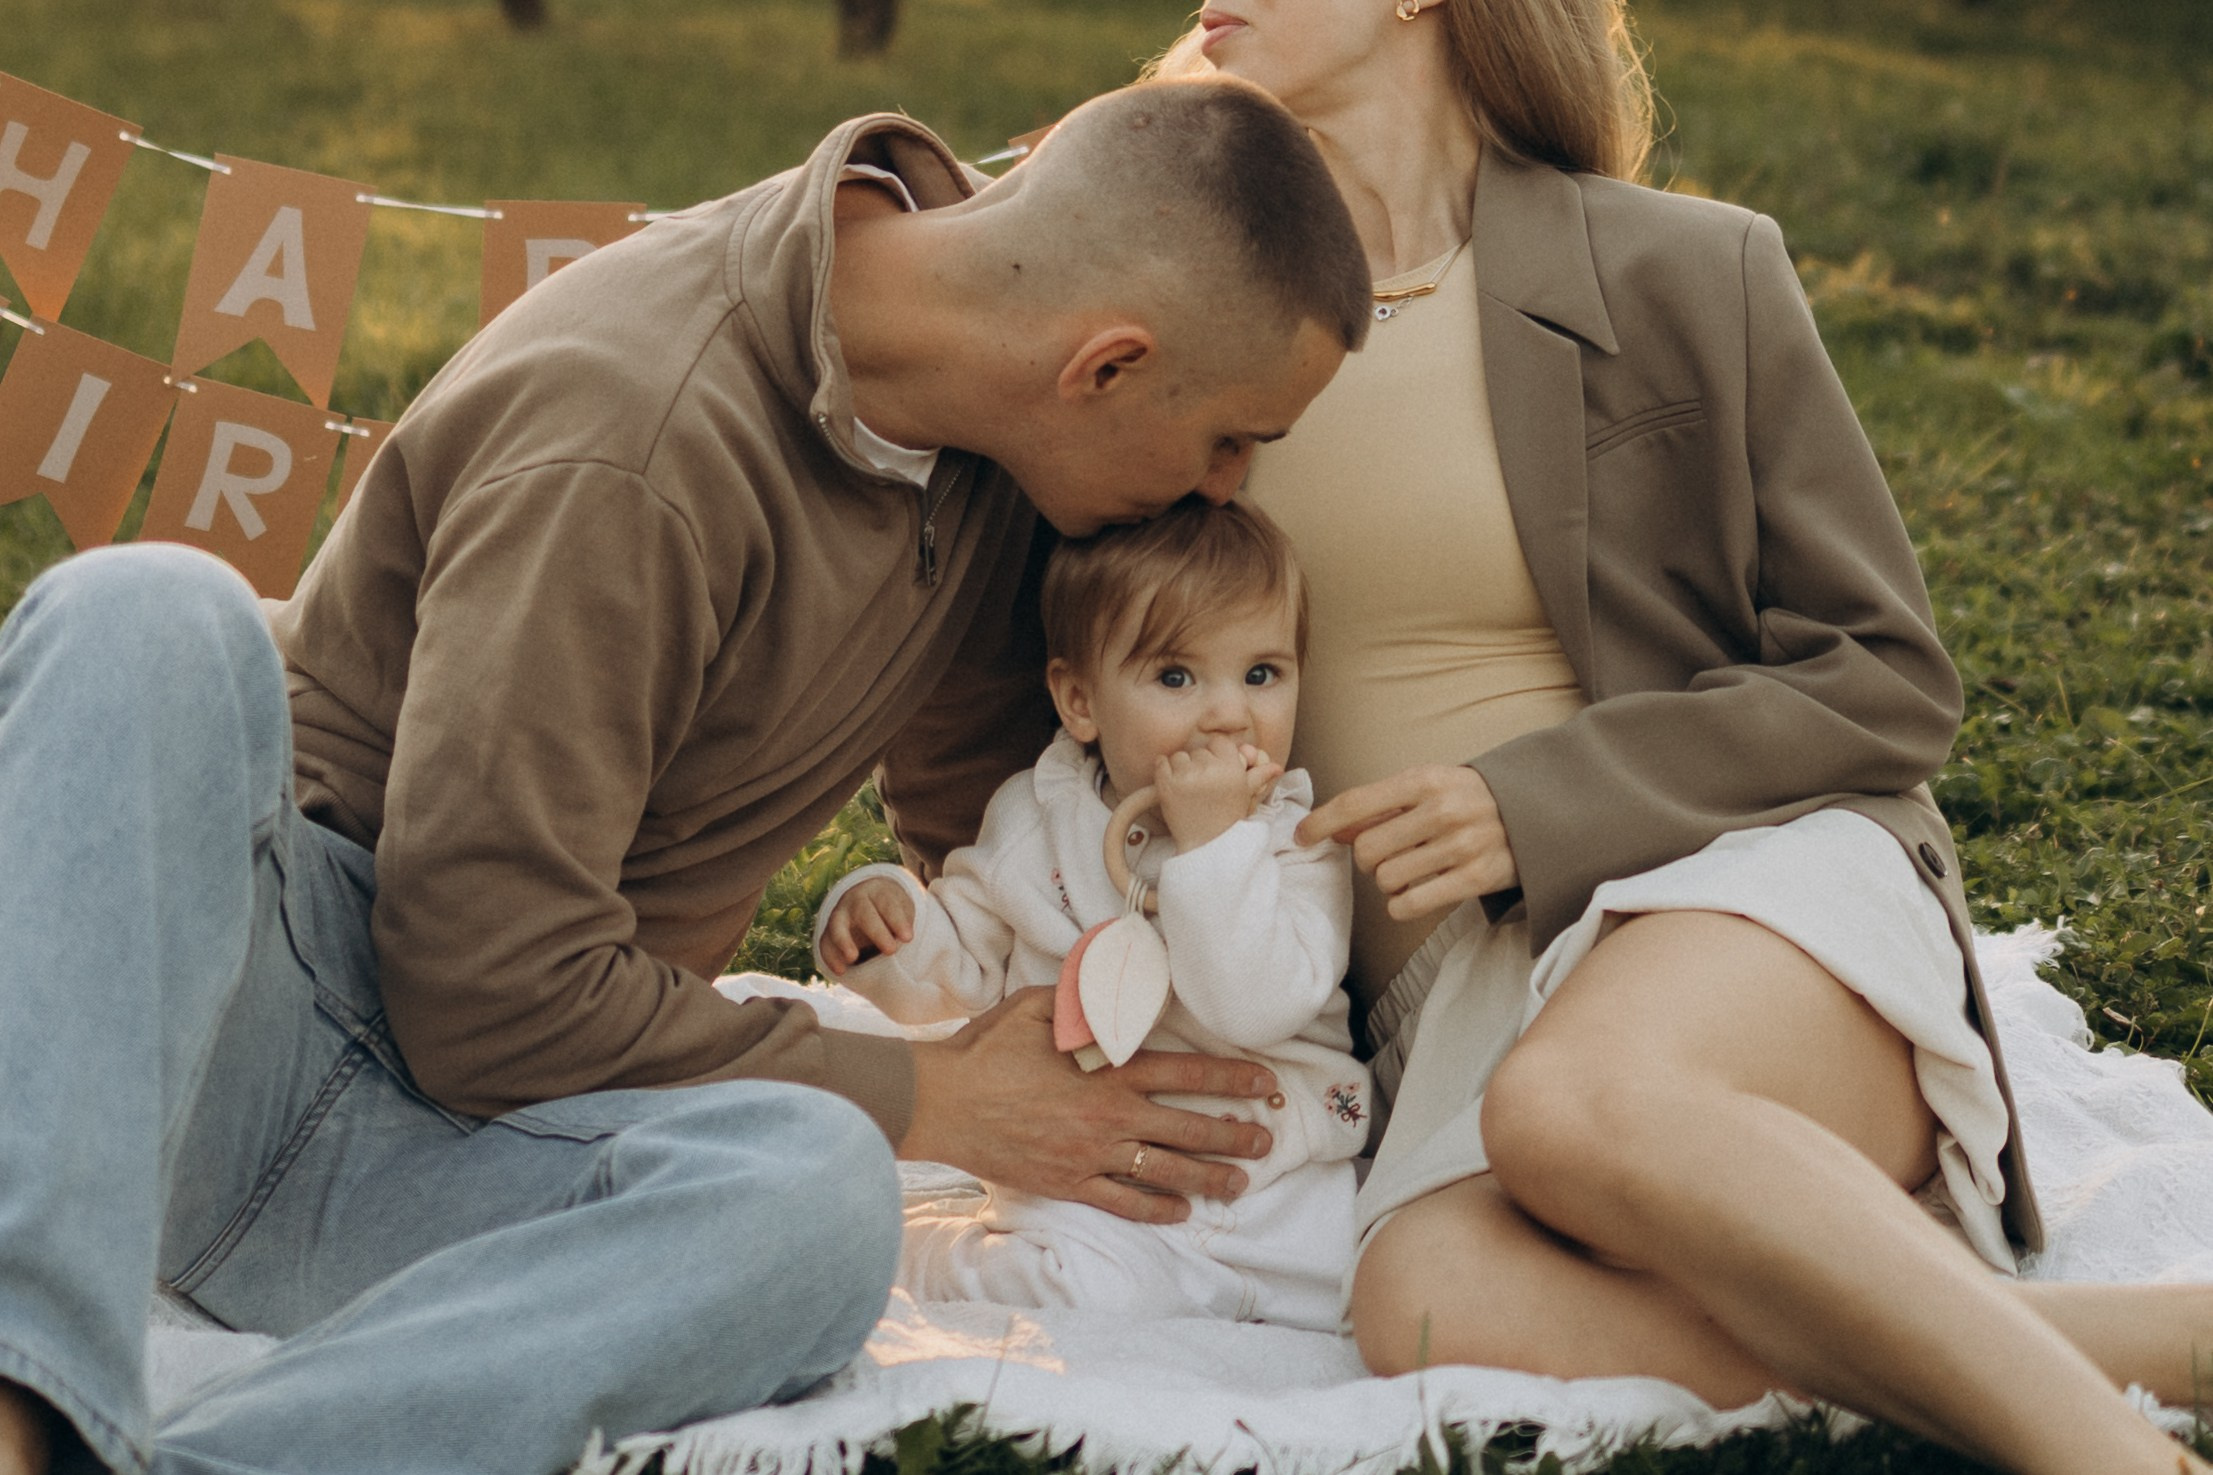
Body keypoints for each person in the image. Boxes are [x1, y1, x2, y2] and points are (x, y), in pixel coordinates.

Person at [0, 77, 1372, 1475]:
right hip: (228, 1035)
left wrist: (1121, 1012)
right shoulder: (634, 436)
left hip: (504, 1163)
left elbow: (988, 813)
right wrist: (938, 1097)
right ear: (1105, 366)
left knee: (820, 1200)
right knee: (148, 611)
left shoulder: (1001, 445)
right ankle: (21, 1390)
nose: (1225, 488)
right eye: (1229, 438)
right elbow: (481, 986)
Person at [1142, 6, 2213, 1474]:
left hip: (1735, 885)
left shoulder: (1684, 268)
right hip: (1456, 992)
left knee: (1575, 1103)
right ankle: (2145, 1342)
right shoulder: (1182, 292)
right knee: (1422, 1297)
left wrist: (1536, 805)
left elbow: (1884, 672)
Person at [815, 499, 1365, 1332]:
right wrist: (888, 925)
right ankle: (915, 1254)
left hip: (1280, 1191)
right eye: (1175, 677)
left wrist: (1217, 844)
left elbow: (1254, 1005)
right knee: (1085, 1292)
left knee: (1378, 1284)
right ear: (1079, 701)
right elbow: (961, 966)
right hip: (1095, 1196)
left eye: (1261, 674)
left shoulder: (1296, 840)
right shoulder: (1036, 821)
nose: (1228, 713)